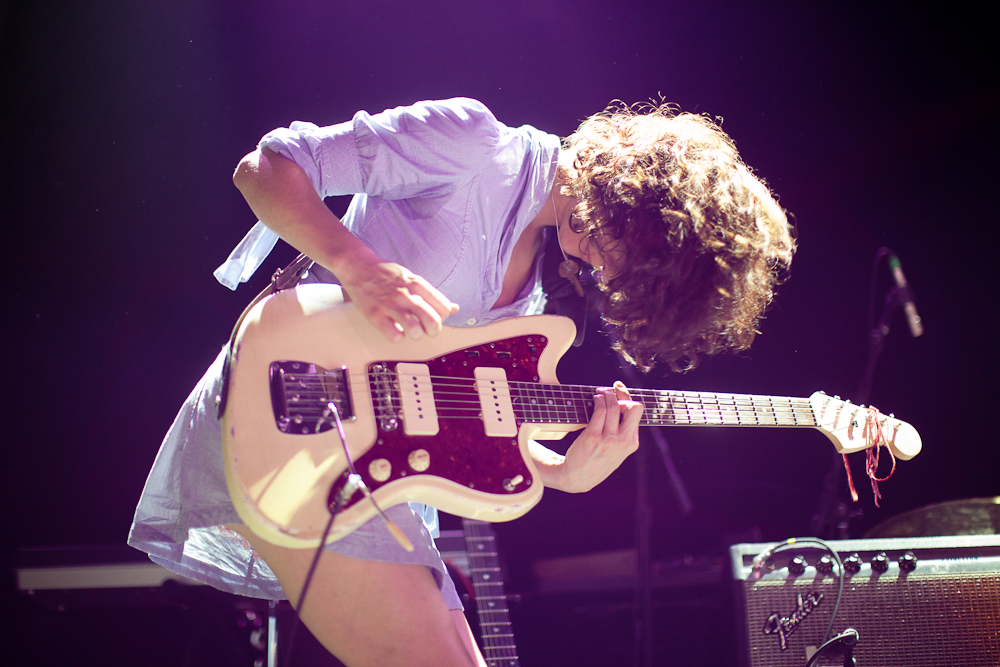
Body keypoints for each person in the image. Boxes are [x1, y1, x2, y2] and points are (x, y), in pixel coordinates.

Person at [129, 97, 794, 667]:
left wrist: (564, 470)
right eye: (632, 252)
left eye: (631, 279)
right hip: (298, 416)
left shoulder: (541, 282)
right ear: (630, 186)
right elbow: (264, 169)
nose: (612, 275)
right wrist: (356, 264)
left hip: (384, 476)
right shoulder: (472, 143)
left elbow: (457, 417)